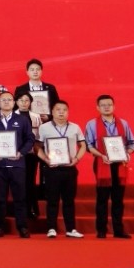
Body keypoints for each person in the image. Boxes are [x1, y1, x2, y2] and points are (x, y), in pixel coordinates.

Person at [84, 94, 134, 239]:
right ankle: (101, 230)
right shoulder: (91, 124)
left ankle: (118, 230)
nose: (106, 107)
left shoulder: (123, 123)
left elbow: (132, 143)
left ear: (114, 106)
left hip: (120, 164)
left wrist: (127, 153)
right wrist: (101, 155)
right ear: (98, 107)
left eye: (109, 104)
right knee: (102, 198)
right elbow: (88, 145)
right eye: (103, 105)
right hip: (102, 163)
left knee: (118, 199)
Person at [0, 91, 34, 237]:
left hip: (18, 165)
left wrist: (21, 152)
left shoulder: (22, 120)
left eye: (9, 100)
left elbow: (30, 139)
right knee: (0, 198)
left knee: (20, 198)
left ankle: (22, 227)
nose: (6, 102)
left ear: (14, 102)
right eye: (3, 100)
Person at [15, 59, 59, 226]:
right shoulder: (21, 89)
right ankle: (29, 206)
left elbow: (57, 108)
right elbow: (15, 111)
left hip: (45, 132)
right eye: (32, 69)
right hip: (26, 140)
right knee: (27, 174)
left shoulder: (50, 88)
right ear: (27, 72)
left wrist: (49, 117)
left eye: (37, 69)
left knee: (47, 168)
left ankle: (45, 198)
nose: (35, 72)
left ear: (41, 71)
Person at [38, 98, 84, 239]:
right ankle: (51, 228)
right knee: (52, 200)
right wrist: (46, 159)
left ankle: (71, 229)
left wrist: (76, 159)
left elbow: (83, 145)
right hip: (52, 169)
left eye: (64, 110)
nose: (61, 112)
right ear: (52, 112)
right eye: (58, 110)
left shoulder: (75, 127)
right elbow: (37, 147)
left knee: (69, 200)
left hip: (69, 168)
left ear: (68, 112)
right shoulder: (44, 128)